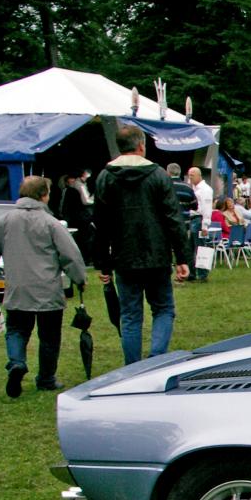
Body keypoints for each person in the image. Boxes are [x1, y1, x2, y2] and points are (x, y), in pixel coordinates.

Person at [0, 175, 87, 397]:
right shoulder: (52, 224)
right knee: (49, 336)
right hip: (48, 290)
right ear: (44, 195)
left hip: (17, 288)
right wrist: (79, 278)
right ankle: (46, 378)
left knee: (17, 330)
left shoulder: (4, 221)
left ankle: (16, 362)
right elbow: (70, 255)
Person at [92, 124, 190, 365]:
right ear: (141, 146)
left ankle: (133, 366)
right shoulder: (158, 176)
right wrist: (183, 258)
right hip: (157, 255)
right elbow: (173, 219)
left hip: (124, 257)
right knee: (163, 309)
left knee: (130, 316)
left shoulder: (106, 177)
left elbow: (100, 225)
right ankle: (156, 359)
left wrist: (103, 263)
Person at [187, 166, 214, 281]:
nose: (190, 178)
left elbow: (207, 208)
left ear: (199, 175)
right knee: (189, 248)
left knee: (201, 247)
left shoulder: (205, 189)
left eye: (192, 175)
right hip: (192, 219)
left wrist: (205, 225)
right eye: (189, 176)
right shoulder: (194, 189)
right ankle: (191, 273)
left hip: (199, 219)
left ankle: (203, 274)